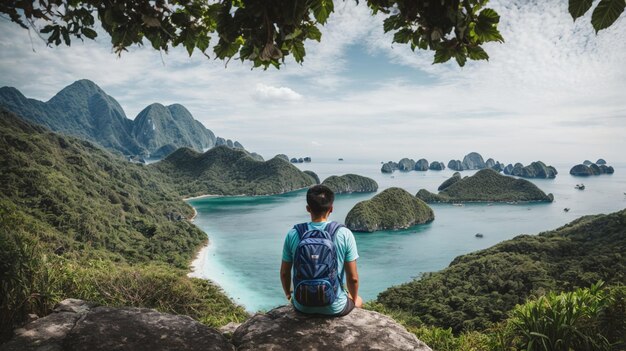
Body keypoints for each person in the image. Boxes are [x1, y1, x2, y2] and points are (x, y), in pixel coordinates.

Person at [280, 184, 363, 316]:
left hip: (302, 305)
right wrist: (353, 297)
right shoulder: (344, 233)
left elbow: (285, 273)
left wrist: (289, 295)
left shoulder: (293, 233)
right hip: (335, 306)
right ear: (331, 208)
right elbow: (353, 278)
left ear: (308, 208)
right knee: (358, 300)